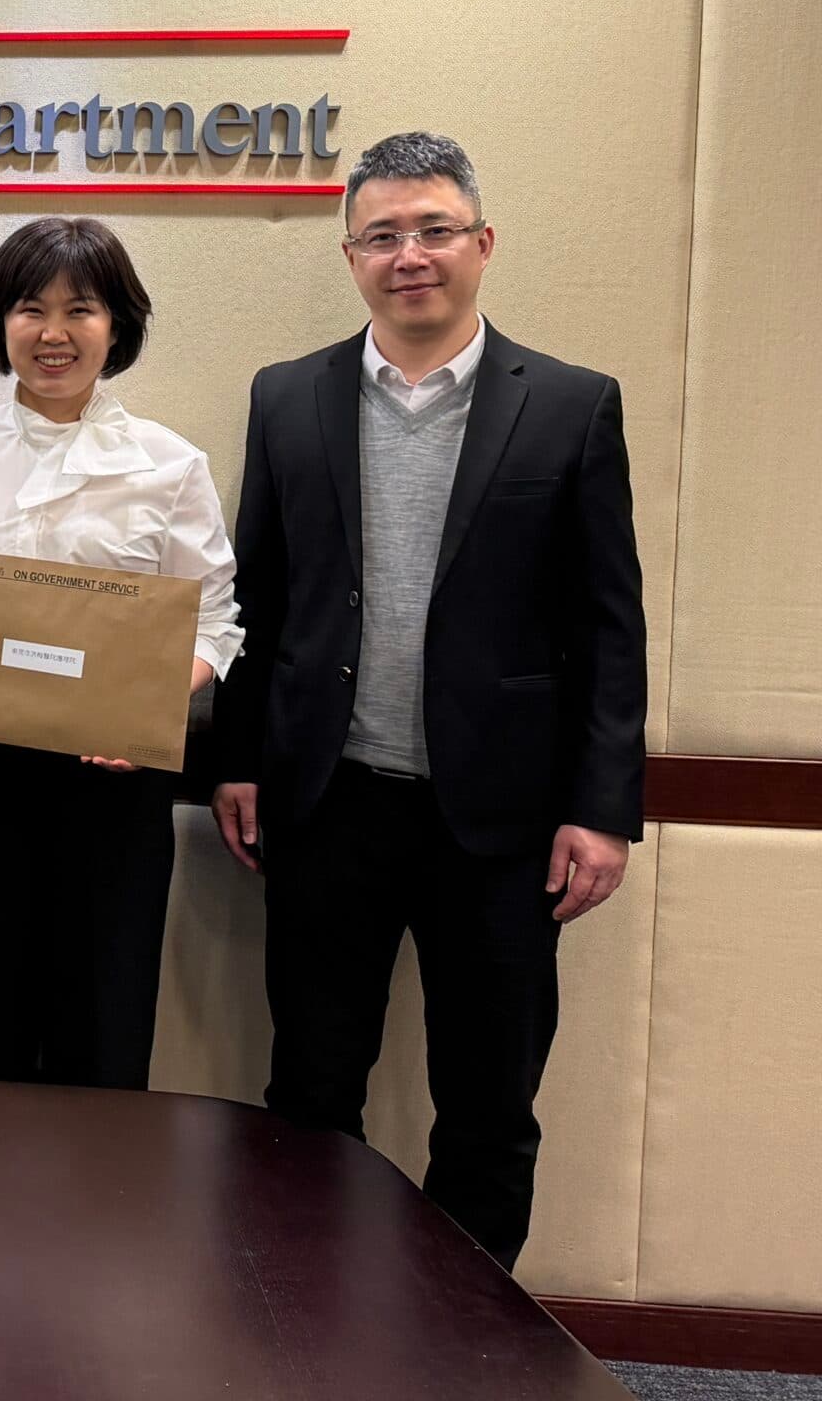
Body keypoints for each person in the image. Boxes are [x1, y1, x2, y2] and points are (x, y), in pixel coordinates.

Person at [213, 132, 644, 1270]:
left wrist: (603, 809)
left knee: (489, 1107)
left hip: (502, 825)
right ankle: (307, 1327)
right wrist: (238, 759)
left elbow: (610, 626)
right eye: (383, 235)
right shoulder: (286, 396)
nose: (410, 255)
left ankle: (467, 1345)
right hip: (327, 805)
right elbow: (258, 598)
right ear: (351, 255)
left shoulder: (570, 406)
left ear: (482, 243)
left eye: (435, 230)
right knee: (310, 1092)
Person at [0, 218, 242, 1089]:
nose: (54, 333)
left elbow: (214, 622)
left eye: (80, 309)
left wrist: (145, 707)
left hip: (114, 781)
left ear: (116, 325)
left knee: (103, 1030)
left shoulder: (170, 465)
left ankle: (101, 1182)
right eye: (30, 308)